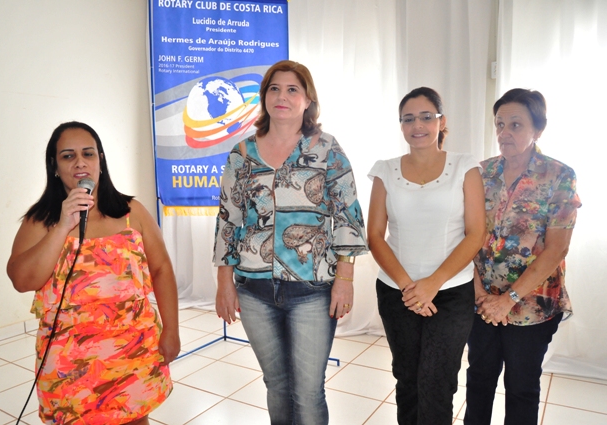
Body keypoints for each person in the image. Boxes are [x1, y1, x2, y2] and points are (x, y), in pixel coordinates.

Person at [213, 60, 368, 425]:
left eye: (292, 89)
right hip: (254, 289)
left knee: (308, 391)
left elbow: (347, 215)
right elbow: (228, 219)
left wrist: (344, 279)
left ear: (307, 100)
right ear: (264, 96)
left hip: (311, 290)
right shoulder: (242, 153)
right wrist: (224, 283)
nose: (282, 96)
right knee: (277, 385)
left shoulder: (327, 149)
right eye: (274, 88)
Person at [7, 121, 180, 425]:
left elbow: (162, 269)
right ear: (54, 166)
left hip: (133, 349)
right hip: (68, 361)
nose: (80, 162)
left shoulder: (133, 212)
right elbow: (22, 281)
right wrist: (63, 225)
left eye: (88, 153)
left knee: (135, 419)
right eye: (68, 156)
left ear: (100, 160)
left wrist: (172, 330)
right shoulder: (41, 221)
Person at [367, 87, 486, 425]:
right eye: (408, 119)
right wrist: (410, 288)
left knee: (437, 381)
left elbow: (476, 233)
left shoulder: (465, 166)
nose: (416, 125)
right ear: (401, 125)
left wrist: (432, 283)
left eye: (425, 117)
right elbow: (374, 236)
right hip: (397, 292)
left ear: (441, 121)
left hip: (451, 292)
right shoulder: (385, 170)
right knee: (407, 378)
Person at [464, 89, 581, 425]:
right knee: (479, 380)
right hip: (482, 301)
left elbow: (557, 248)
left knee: (521, 387)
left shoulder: (559, 176)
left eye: (515, 124)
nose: (504, 132)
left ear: (538, 130)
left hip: (532, 306)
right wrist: (479, 292)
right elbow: (466, 234)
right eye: (500, 124)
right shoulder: (481, 173)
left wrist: (508, 300)